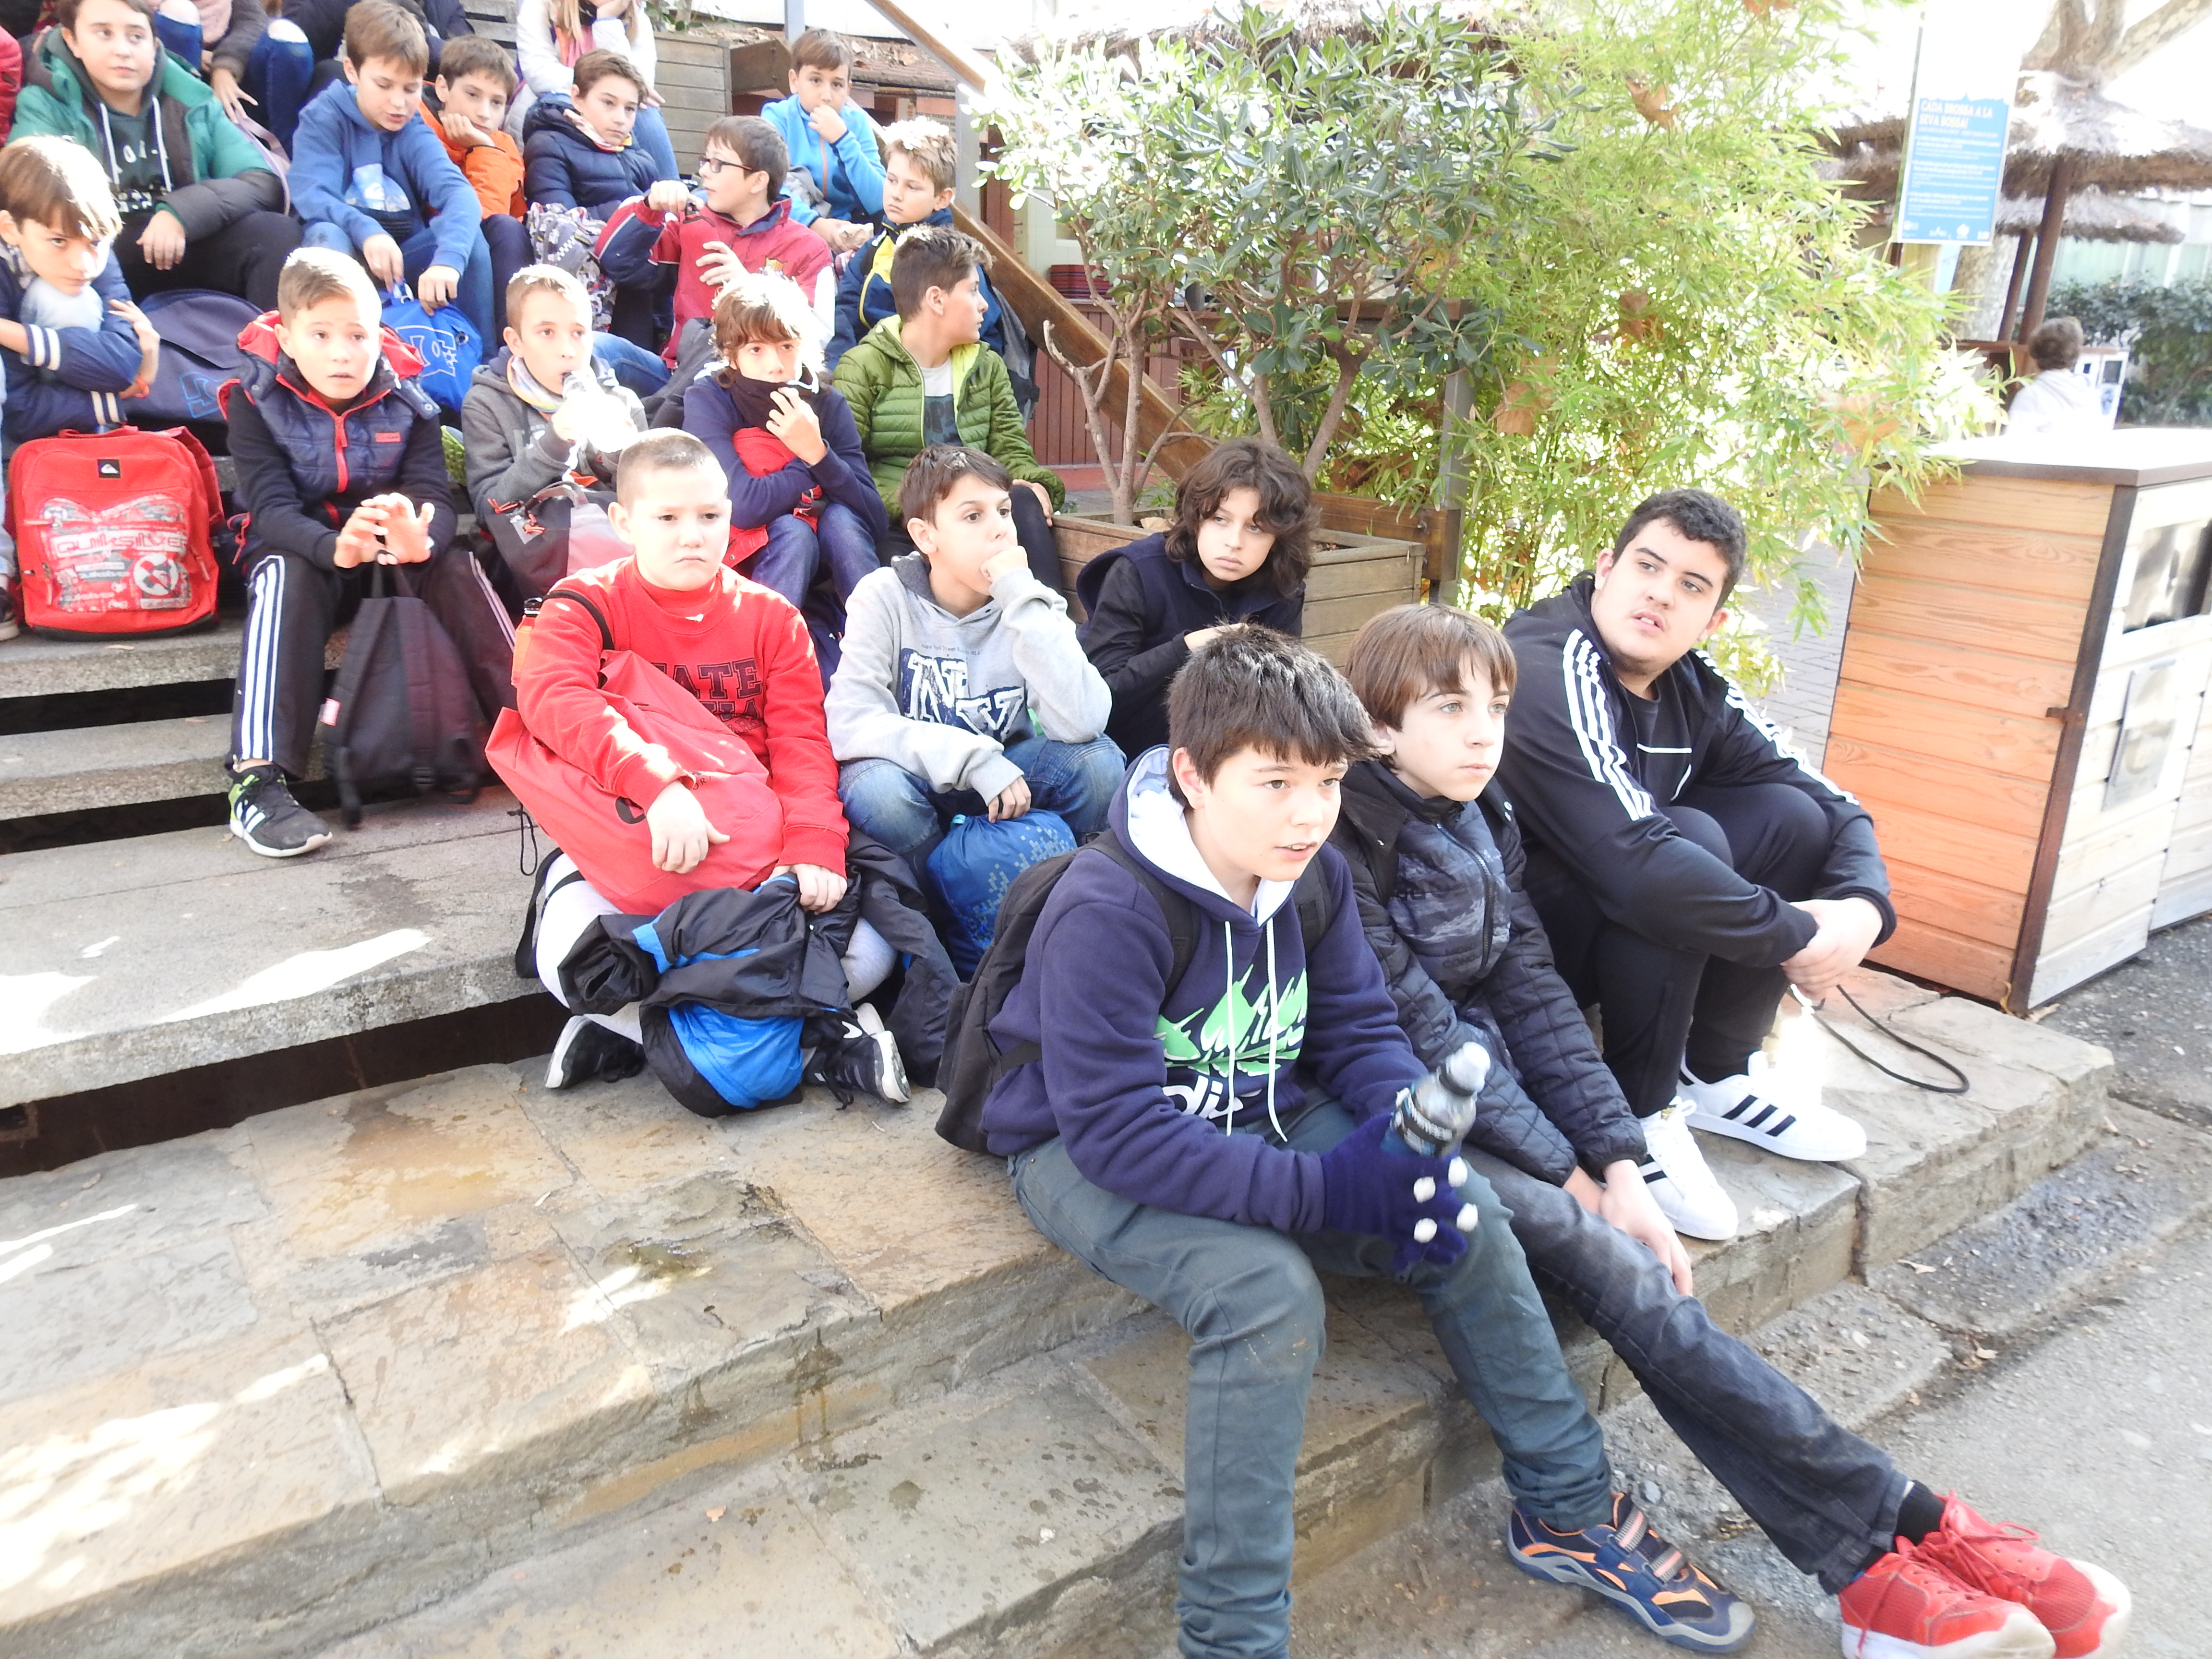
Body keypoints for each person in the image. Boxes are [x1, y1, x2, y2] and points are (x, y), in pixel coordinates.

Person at [1333, 601, 2133, 1659]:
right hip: (1409, 1108)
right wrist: (1575, 1180)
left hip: (1500, 1087)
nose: (1484, 732)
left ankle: (1907, 1542)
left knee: (1637, 1259)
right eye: (1449, 708)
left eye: (1496, 705)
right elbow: (1422, 1032)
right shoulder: (1342, 841)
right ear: (1378, 726)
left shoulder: (1482, 812)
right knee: (1624, 1271)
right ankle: (1891, 1542)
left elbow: (1530, 991)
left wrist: (1619, 1159)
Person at [979, 623, 1762, 1659]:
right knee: (1266, 1295)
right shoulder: (1108, 905)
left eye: (1328, 782)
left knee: (1462, 1210)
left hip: (1262, 1101)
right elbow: (1118, 1134)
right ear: (1193, 776)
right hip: (1083, 1149)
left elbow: (1358, 1030)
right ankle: (1232, 1637)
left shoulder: (1312, 875)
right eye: (1274, 783)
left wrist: (1402, 1142)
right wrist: (1329, 1195)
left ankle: (1568, 1509)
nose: (1309, 815)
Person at [1495, 489, 1884, 1241]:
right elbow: (1634, 861)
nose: (1661, 594)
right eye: (1648, 566)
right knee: (1685, 847)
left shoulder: (1695, 688)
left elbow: (1832, 805)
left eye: (1692, 586)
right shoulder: (1546, 662)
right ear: (1607, 568)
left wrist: (1861, 909)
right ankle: (1638, 1115)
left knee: (1792, 821)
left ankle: (1717, 1074)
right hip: (1515, 952)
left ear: (1714, 621)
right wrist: (1800, 936)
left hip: (1612, 918)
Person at [513, 428, 905, 1103]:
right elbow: (554, 700)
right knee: (567, 954)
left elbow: (802, 743)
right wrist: (658, 787)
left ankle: (636, 1033)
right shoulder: (583, 604)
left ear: (732, 516)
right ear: (624, 522)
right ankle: (817, 1044)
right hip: (641, 845)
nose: (692, 536)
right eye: (667, 518)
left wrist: (814, 843)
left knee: (875, 945)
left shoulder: (773, 618)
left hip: (753, 855)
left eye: (709, 516)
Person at [221, 246, 513, 857]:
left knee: (456, 562)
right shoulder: (254, 400)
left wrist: (421, 538)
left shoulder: (410, 401)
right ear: (288, 337)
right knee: (282, 574)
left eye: (358, 335)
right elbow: (270, 510)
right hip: (305, 551)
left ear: (379, 335)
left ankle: (540, 734)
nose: (342, 353)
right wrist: (336, 548)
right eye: (321, 334)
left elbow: (432, 495)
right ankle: (257, 781)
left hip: (386, 553)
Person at [826, 445, 1119, 887]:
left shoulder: (1029, 602)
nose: (1000, 530)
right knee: (876, 790)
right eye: (973, 516)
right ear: (926, 536)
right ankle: (930, 904)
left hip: (1012, 781)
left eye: (1004, 511)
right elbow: (852, 721)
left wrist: (1020, 598)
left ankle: (1062, 896)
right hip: (918, 777)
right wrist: (972, 760)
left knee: (1099, 764)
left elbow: (1084, 722)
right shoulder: (883, 595)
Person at [14, 0, 299, 312]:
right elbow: (24, 189)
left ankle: (269, 339)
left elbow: (260, 180)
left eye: (136, 36)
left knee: (275, 233)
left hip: (182, 237)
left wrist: (181, 213)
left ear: (154, 43)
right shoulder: (46, 101)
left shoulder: (189, 95)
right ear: (72, 40)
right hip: (98, 253)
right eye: (104, 33)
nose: (123, 50)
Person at [833, 225, 1064, 591]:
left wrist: (1035, 482)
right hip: (904, 521)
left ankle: (1050, 618)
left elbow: (1010, 448)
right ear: (937, 300)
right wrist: (924, 506)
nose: (984, 304)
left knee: (1023, 498)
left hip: (976, 512)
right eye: (973, 291)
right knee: (891, 547)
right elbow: (848, 465)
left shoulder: (987, 365)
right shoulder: (863, 366)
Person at [681, 272, 883, 669]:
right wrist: (808, 463)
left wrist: (819, 453)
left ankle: (880, 646)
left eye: (787, 347)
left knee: (843, 520)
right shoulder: (711, 398)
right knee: (793, 532)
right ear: (732, 354)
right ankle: (758, 659)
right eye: (756, 349)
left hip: (829, 551)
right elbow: (743, 506)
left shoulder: (827, 404)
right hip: (745, 552)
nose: (775, 365)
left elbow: (872, 517)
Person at [1078, 437, 1310, 758]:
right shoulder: (1138, 571)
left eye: (1255, 528)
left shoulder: (1283, 587)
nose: (1234, 542)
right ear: (1196, 518)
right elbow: (1098, 698)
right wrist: (1188, 648)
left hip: (1225, 756)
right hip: (1122, 752)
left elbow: (1282, 699)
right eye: (1220, 520)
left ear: (1279, 537)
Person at [290, 0, 494, 346]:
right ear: (352, 71)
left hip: (402, 261)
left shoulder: (413, 127)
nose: (399, 103)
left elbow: (459, 193)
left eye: (410, 88)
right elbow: (314, 196)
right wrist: (367, 231)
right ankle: (332, 352)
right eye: (384, 86)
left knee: (467, 238)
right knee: (326, 235)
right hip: (347, 249)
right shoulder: (322, 118)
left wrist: (447, 261)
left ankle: (482, 360)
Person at [460, 263, 644, 593]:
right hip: (532, 560)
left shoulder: (620, 399)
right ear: (516, 341)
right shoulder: (486, 403)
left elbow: (648, 501)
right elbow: (489, 512)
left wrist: (624, 454)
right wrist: (555, 442)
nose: (568, 350)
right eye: (547, 332)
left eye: (579, 333)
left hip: (613, 555)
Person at [597, 113, 834, 369]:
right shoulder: (690, 222)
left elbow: (816, 339)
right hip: (679, 373)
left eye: (718, 164)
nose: (703, 172)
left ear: (758, 181)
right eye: (706, 161)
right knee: (600, 348)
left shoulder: (808, 248)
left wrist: (752, 290)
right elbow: (616, 261)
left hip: (757, 381)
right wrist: (649, 207)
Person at [0, 134, 157, 452]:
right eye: (58, 241)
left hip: (63, 412)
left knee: (71, 300)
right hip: (14, 436)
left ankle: (85, 452)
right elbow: (18, 410)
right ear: (10, 229)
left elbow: (120, 367)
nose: (83, 265)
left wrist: (12, 334)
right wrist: (116, 400)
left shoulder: (92, 246)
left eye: (96, 243)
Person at [826, 116, 1010, 371]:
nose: (896, 194)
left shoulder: (956, 260)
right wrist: (838, 372)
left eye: (912, 187)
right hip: (868, 373)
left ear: (942, 199)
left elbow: (980, 336)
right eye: (891, 180)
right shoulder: (875, 249)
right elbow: (846, 313)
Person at [423, 32, 529, 333]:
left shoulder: (501, 145)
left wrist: (483, 147)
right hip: (429, 242)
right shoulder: (419, 123)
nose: (484, 112)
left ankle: (514, 341)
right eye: (473, 95)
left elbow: (490, 214)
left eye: (497, 103)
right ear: (443, 88)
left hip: (482, 249)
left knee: (507, 229)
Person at [509, 0, 677, 181]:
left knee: (644, 111)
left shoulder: (636, 14)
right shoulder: (542, 5)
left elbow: (639, 84)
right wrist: (597, 88)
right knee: (567, 103)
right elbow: (540, 74)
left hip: (612, 107)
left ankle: (672, 190)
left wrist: (607, 21)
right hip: (553, 98)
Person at [759, 27, 881, 255]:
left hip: (849, 230)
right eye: (816, 80)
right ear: (794, 81)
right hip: (794, 225)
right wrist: (814, 223)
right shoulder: (778, 117)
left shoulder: (857, 124)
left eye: (837, 85)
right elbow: (769, 186)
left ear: (848, 89)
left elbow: (877, 200)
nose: (827, 95)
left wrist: (843, 140)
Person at [144, 0, 313, 152]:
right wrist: (197, 51)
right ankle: (189, 147)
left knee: (287, 38)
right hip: (182, 80)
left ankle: (285, 154)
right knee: (178, 13)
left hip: (237, 80)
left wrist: (224, 67)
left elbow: (253, 23)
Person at [2006, 316, 2104, 440]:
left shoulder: (2032, 396)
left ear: (2034, 355)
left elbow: (2013, 443)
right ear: (2075, 355)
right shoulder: (2091, 397)